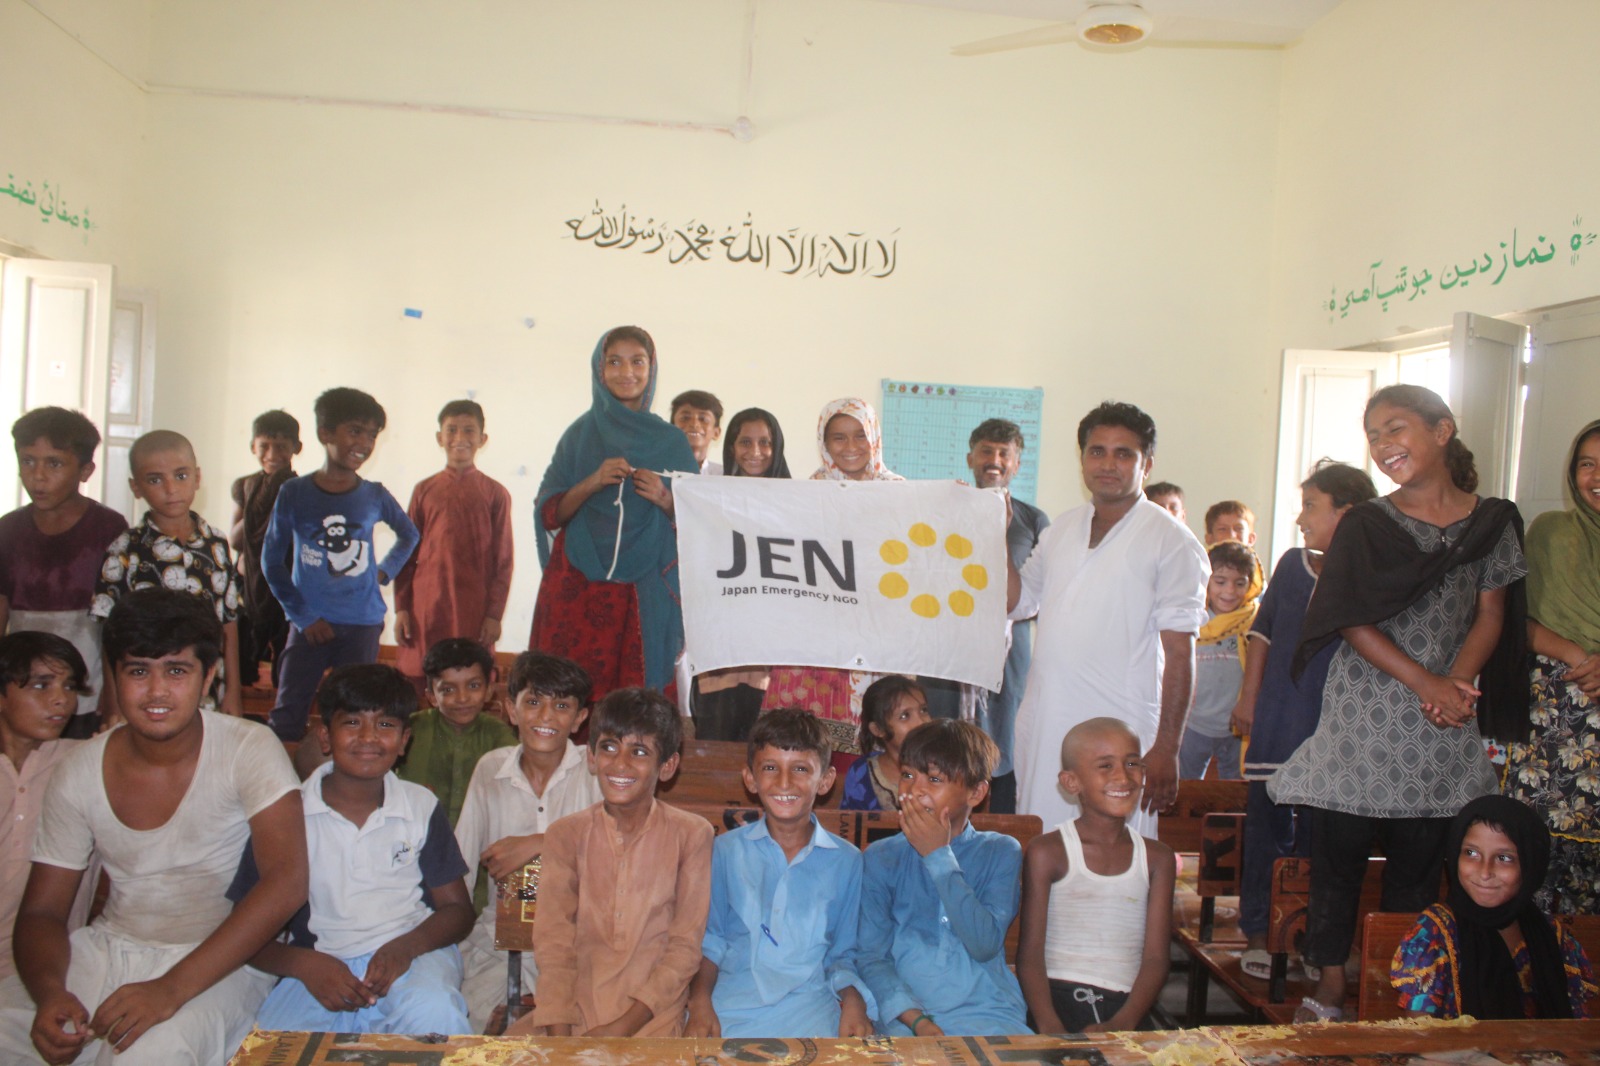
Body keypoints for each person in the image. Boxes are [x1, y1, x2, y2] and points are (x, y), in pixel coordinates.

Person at [1272, 384, 1528, 1023]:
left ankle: (1403, 986)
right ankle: (1331, 984)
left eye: (1396, 429)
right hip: (1366, 715)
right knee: (1339, 860)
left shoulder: (1494, 521)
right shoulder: (1366, 523)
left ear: (1443, 431)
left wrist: (1457, 683)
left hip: (1442, 720)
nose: (1384, 447)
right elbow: (1350, 620)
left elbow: (1491, 612)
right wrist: (1426, 684)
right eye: (1374, 436)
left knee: (1419, 867)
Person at [0, 589, 306, 1065]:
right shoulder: (79, 770)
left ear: (208, 677)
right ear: (116, 678)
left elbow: (286, 884)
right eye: (139, 670)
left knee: (146, 1056)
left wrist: (169, 990)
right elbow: (41, 912)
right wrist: (49, 993)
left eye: (177, 671)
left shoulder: (247, 747)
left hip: (225, 961)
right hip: (108, 948)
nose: (157, 691)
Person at [235, 663, 474, 1035]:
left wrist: (405, 948)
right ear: (325, 737)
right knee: (271, 1045)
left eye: (385, 725)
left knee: (435, 1015)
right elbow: (245, 933)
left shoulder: (420, 805)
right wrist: (304, 966)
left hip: (414, 955)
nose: (368, 738)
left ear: (404, 739)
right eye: (351, 723)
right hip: (320, 966)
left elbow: (458, 911)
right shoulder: (286, 816)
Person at [1007, 401, 1210, 836]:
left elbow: (1180, 654)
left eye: (1124, 454)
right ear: (1082, 459)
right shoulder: (1062, 528)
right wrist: (991, 532)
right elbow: (1019, 602)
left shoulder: (1171, 541)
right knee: (1045, 847)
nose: (1108, 464)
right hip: (1049, 720)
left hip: (1125, 726)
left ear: (1147, 464)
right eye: (1097, 451)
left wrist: (1167, 748)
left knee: (1121, 858)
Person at [1229, 461, 1376, 979]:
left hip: (1338, 735)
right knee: (1267, 833)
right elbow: (1262, 634)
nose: (1300, 517)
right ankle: (1258, 934)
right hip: (1280, 722)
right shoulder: (1293, 566)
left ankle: (1318, 946)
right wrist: (1249, 699)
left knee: (1326, 842)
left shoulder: (1373, 576)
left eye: (1311, 505)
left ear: (1348, 512)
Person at [512, 687, 712, 1037]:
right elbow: (554, 946)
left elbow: (684, 950)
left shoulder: (691, 835)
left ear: (667, 766)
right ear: (591, 757)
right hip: (571, 1017)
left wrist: (621, 1029)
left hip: (650, 1021)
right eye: (608, 747)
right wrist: (562, 1043)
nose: (620, 764)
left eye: (639, 752)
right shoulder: (566, 835)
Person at [528, 327, 697, 702]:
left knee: (635, 705)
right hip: (577, 586)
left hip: (643, 592)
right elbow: (550, 514)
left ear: (651, 368)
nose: (626, 372)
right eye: (614, 361)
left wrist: (665, 499)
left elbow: (697, 520)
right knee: (566, 696)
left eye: (637, 361)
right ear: (599, 369)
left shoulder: (671, 442)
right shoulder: (579, 435)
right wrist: (591, 482)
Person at [685, 709, 873, 1038]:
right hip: (729, 1009)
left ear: (826, 780)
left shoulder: (847, 861)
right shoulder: (725, 851)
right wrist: (699, 1003)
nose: (784, 783)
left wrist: (854, 1001)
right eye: (770, 768)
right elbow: (710, 943)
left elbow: (842, 954)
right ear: (750, 778)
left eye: (800, 769)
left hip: (810, 1010)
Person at [453, 652, 601, 1031]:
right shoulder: (490, 769)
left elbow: (620, 847)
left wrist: (543, 842)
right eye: (533, 702)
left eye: (562, 706)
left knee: (576, 1029)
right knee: (477, 1026)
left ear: (580, 719)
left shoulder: (596, 769)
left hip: (581, 943)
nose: (546, 717)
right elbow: (463, 864)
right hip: (503, 941)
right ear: (510, 710)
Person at [263, 387, 419, 741]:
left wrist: (383, 572)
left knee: (355, 715)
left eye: (372, 434)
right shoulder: (294, 493)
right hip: (309, 625)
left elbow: (409, 535)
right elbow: (272, 563)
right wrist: (304, 618)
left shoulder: (374, 495)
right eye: (355, 430)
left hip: (362, 624)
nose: (364, 442)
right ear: (325, 433)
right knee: (289, 711)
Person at [857, 719, 1026, 1037]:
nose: (914, 790)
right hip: (903, 1019)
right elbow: (872, 957)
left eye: (934, 779)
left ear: (976, 792)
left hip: (987, 1013)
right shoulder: (881, 858)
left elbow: (985, 945)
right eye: (907, 775)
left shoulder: (1000, 851)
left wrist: (938, 856)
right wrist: (917, 1021)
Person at [1017, 718, 1175, 1033]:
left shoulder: (1157, 858)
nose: (1123, 776)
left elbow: (1157, 958)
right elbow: (1030, 953)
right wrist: (1050, 1026)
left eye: (1133, 763)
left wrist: (1124, 1022)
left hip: (1128, 1008)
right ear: (1071, 782)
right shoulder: (1048, 852)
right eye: (1105, 766)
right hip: (1054, 1003)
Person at [763, 398, 904, 748]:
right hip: (815, 643)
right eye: (839, 437)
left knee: (877, 745)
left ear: (874, 436)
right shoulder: (803, 495)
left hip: (879, 637)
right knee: (806, 751)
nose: (851, 447)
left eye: (860, 435)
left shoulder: (903, 495)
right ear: (824, 444)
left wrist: (963, 504)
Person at [1504, 419, 1600, 914]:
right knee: (1538, 864)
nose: (1597, 475)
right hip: (1556, 721)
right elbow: (1516, 623)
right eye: (1587, 464)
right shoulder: (1551, 534)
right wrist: (1580, 656)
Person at [1390, 795, 1597, 1019]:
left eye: (1504, 858)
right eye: (1471, 853)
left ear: (1531, 866)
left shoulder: (1552, 938)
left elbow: (1576, 1029)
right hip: (1452, 1054)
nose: (1485, 871)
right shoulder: (1434, 934)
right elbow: (1422, 1038)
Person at [91, 430, 245, 719]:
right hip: (149, 685)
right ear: (136, 487)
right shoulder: (125, 550)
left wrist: (234, 692)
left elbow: (229, 622)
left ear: (197, 478)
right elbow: (110, 634)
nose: (171, 488)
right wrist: (112, 698)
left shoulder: (216, 544)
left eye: (181, 476)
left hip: (207, 684)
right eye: (155, 479)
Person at [0, 407, 127, 737]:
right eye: (28, 461)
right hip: (22, 692)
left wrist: (113, 702)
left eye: (54, 463)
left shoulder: (109, 529)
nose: (38, 475)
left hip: (88, 690)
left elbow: (116, 625)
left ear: (85, 470)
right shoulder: (8, 530)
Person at [393, 399, 514, 691]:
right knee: (420, 682)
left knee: (468, 681)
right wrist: (401, 608)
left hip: (474, 609)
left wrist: (494, 615)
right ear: (439, 438)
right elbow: (405, 554)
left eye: (469, 431)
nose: (460, 438)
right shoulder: (424, 490)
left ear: (482, 439)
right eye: (452, 430)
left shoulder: (495, 493)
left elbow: (503, 561)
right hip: (426, 608)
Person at [686, 407, 791, 741]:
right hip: (720, 653)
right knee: (717, 752)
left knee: (766, 751)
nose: (755, 452)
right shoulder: (709, 499)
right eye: (745, 442)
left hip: (772, 656)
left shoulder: (797, 503)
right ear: (730, 446)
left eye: (765, 442)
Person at [0, 633, 97, 983]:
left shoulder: (87, 761)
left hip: (49, 976)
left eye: (69, 686)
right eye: (41, 686)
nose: (61, 700)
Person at [396, 637, 515, 827]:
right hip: (413, 837)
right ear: (431, 697)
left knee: (538, 858)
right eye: (448, 689)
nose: (462, 698)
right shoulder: (411, 730)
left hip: (481, 843)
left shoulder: (499, 736)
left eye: (473, 686)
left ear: (489, 691)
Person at [1177, 540, 1262, 781]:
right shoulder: (1192, 618)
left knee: (1233, 794)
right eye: (1220, 581)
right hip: (1193, 723)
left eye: (1240, 583)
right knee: (1185, 789)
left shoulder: (1255, 622)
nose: (1230, 591)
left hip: (1237, 727)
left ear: (1251, 584)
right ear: (1206, 580)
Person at [229, 409, 301, 688]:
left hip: (286, 581)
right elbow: (236, 539)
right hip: (249, 582)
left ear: (297, 448)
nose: (272, 453)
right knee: (244, 654)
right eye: (264, 446)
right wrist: (260, 513)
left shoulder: (300, 488)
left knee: (285, 656)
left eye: (282, 446)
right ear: (253, 447)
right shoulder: (245, 486)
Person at [841, 675, 930, 811]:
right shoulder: (862, 773)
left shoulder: (946, 765)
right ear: (878, 729)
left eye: (923, 710)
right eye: (905, 716)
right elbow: (851, 827)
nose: (921, 722)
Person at [671, 390, 724, 475]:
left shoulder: (724, 476)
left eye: (703, 419)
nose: (694, 424)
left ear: (716, 433)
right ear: (671, 428)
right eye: (685, 418)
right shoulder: (657, 473)